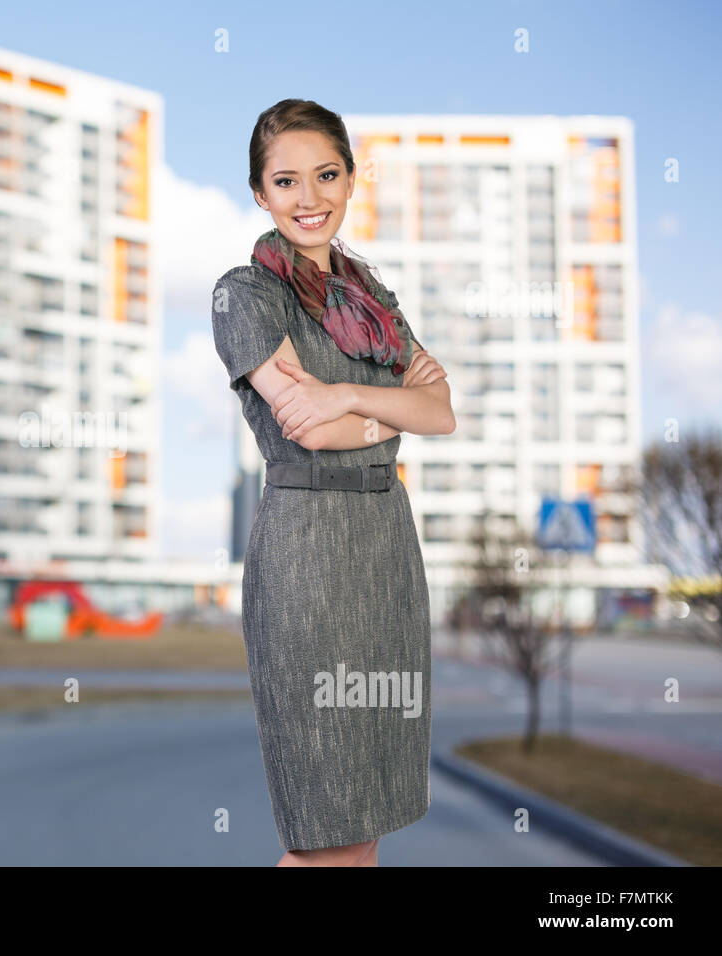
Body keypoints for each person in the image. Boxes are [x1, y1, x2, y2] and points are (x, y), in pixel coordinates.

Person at [210, 99, 456, 867]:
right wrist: (390, 411)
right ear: (261, 193)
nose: (308, 197)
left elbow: (440, 410)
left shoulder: (372, 300)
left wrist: (349, 396)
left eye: (326, 175)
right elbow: (305, 427)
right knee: (328, 839)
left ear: (350, 179)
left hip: (386, 553)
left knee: (366, 828)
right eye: (286, 181)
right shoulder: (244, 294)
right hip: (308, 557)